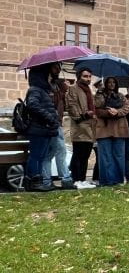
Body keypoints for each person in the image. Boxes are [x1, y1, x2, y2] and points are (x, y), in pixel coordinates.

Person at [23, 64, 61, 192]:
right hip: (38, 129)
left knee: (40, 156)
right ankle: (33, 182)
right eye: (47, 74)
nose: (49, 76)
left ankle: (36, 182)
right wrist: (50, 117)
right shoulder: (35, 90)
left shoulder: (42, 90)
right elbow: (33, 105)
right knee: (36, 156)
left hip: (44, 129)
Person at [40, 62, 74, 190]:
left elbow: (64, 105)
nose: (58, 70)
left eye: (59, 68)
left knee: (51, 153)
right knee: (60, 150)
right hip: (50, 124)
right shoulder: (44, 86)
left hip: (57, 122)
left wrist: (66, 91)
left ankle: (47, 181)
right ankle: (65, 179)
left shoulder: (57, 85)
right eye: (55, 68)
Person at [94, 76, 129, 186]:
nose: (111, 84)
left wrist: (117, 112)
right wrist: (100, 92)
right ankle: (106, 180)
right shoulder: (99, 95)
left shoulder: (121, 96)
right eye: (109, 82)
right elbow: (97, 107)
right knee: (105, 156)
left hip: (119, 129)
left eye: (114, 82)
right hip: (104, 129)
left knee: (119, 155)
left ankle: (118, 179)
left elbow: (127, 108)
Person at [65, 67, 97, 187]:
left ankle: (82, 180)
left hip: (90, 126)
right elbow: (71, 105)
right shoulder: (73, 88)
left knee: (86, 155)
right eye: (85, 76)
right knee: (78, 154)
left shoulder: (88, 90)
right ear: (79, 77)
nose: (88, 79)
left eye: (89, 76)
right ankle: (76, 180)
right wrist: (83, 115)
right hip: (80, 126)